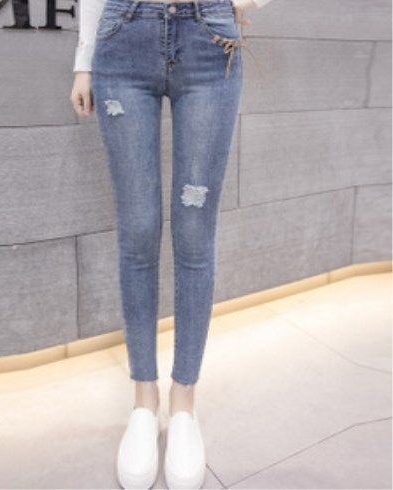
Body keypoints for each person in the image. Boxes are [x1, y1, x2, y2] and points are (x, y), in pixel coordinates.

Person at [70, 0, 273, 488]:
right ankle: (145, 400)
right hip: (122, 35)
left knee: (195, 235)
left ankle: (184, 404)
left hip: (210, 41)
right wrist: (84, 60)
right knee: (137, 231)